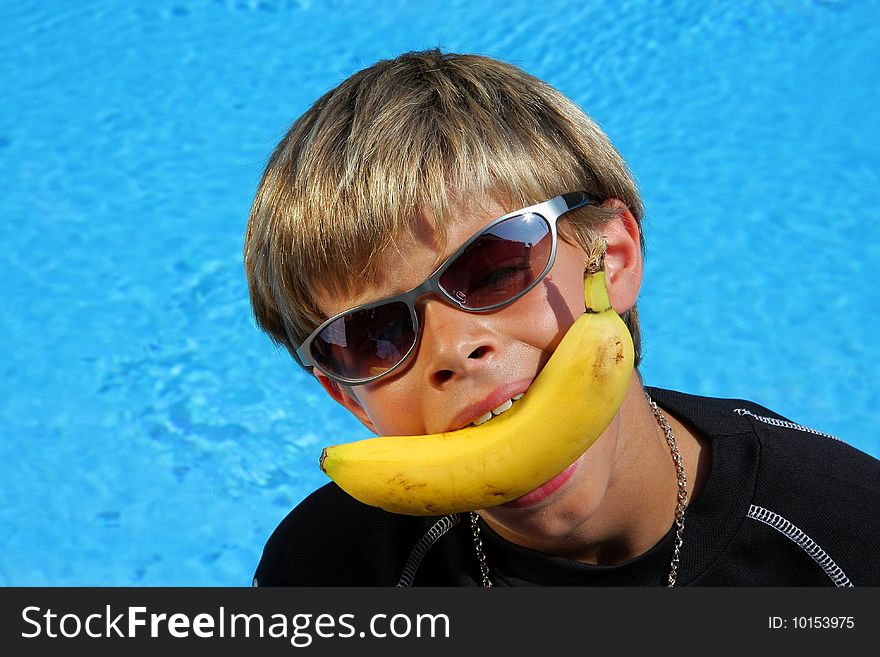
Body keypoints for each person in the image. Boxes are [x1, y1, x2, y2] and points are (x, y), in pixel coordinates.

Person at [243, 49, 880, 586]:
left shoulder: (844, 538)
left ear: (615, 257)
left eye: (494, 267)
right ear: (347, 398)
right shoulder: (331, 572)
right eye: (370, 337)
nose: (454, 348)